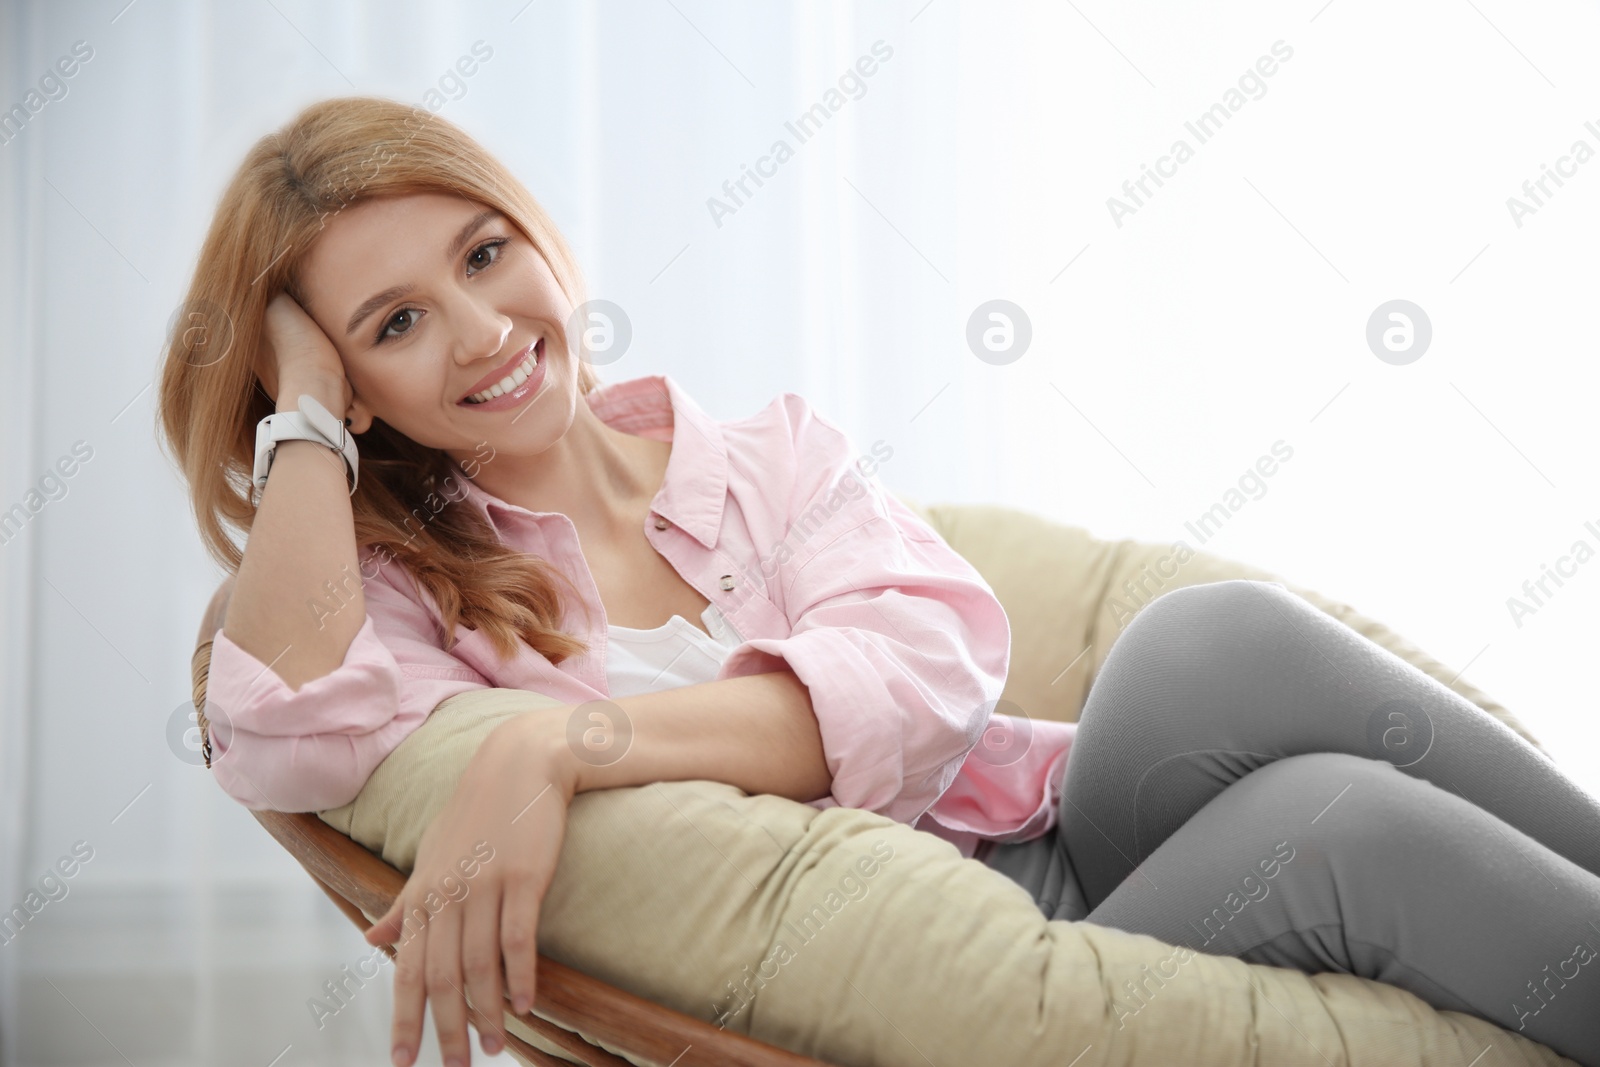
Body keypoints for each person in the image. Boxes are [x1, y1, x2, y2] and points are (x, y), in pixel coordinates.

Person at [156, 96, 1600, 1067]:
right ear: (353, 386)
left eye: (485, 254)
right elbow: (281, 726)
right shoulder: (409, 590)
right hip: (981, 958)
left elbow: (927, 667)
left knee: (1204, 643)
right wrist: (294, 411)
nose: (482, 332)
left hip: (1051, 829)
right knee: (1330, 826)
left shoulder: (762, 456)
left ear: (537, 233)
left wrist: (567, 738)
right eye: (397, 322)